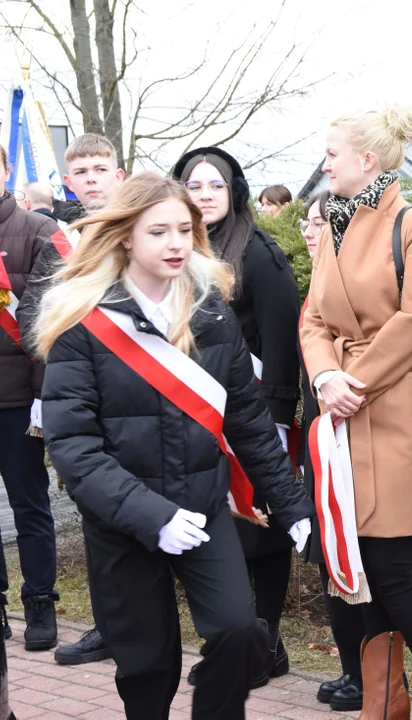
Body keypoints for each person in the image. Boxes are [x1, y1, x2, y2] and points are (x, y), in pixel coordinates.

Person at [34, 173, 314, 719]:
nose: (176, 243)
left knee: (241, 633)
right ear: (124, 238)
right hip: (122, 521)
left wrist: (293, 505)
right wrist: (152, 515)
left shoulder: (212, 312)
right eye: (158, 231)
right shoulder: (83, 321)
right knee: (146, 666)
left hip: (202, 505)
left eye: (184, 230)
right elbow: (74, 447)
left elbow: (250, 424)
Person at [300, 103, 412, 719]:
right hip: (342, 408)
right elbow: (314, 318)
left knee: (390, 564)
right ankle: (386, 701)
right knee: (359, 564)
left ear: (367, 160)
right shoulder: (333, 226)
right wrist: (324, 377)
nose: (325, 163)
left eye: (332, 153)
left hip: (396, 409)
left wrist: (353, 380)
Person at [170, 147, 303, 685]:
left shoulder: (259, 254)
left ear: (235, 192)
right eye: (194, 185)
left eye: (215, 186)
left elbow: (280, 341)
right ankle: (235, 641)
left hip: (252, 419)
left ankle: (264, 644)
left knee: (262, 534)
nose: (204, 195)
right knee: (219, 530)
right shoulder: (180, 251)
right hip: (197, 418)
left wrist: (271, 422)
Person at [17, 133, 126, 667]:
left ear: (118, 174)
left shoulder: (145, 227)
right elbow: (33, 316)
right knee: (95, 510)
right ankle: (107, 627)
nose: (90, 179)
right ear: (67, 180)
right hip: (83, 394)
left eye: (99, 169)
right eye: (80, 172)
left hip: (139, 395)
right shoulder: (58, 241)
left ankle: (149, 628)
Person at [295, 191, 367, 712]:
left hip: (352, 440)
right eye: (307, 220)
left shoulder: (349, 288)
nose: (309, 228)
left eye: (322, 221)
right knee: (331, 559)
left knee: (359, 560)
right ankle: (353, 670)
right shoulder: (317, 286)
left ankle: (370, 676)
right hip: (319, 441)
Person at [0, 146, 61, 653]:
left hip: (19, 396)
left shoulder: (37, 232)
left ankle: (40, 600)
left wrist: (44, 395)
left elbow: (50, 324)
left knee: (30, 506)